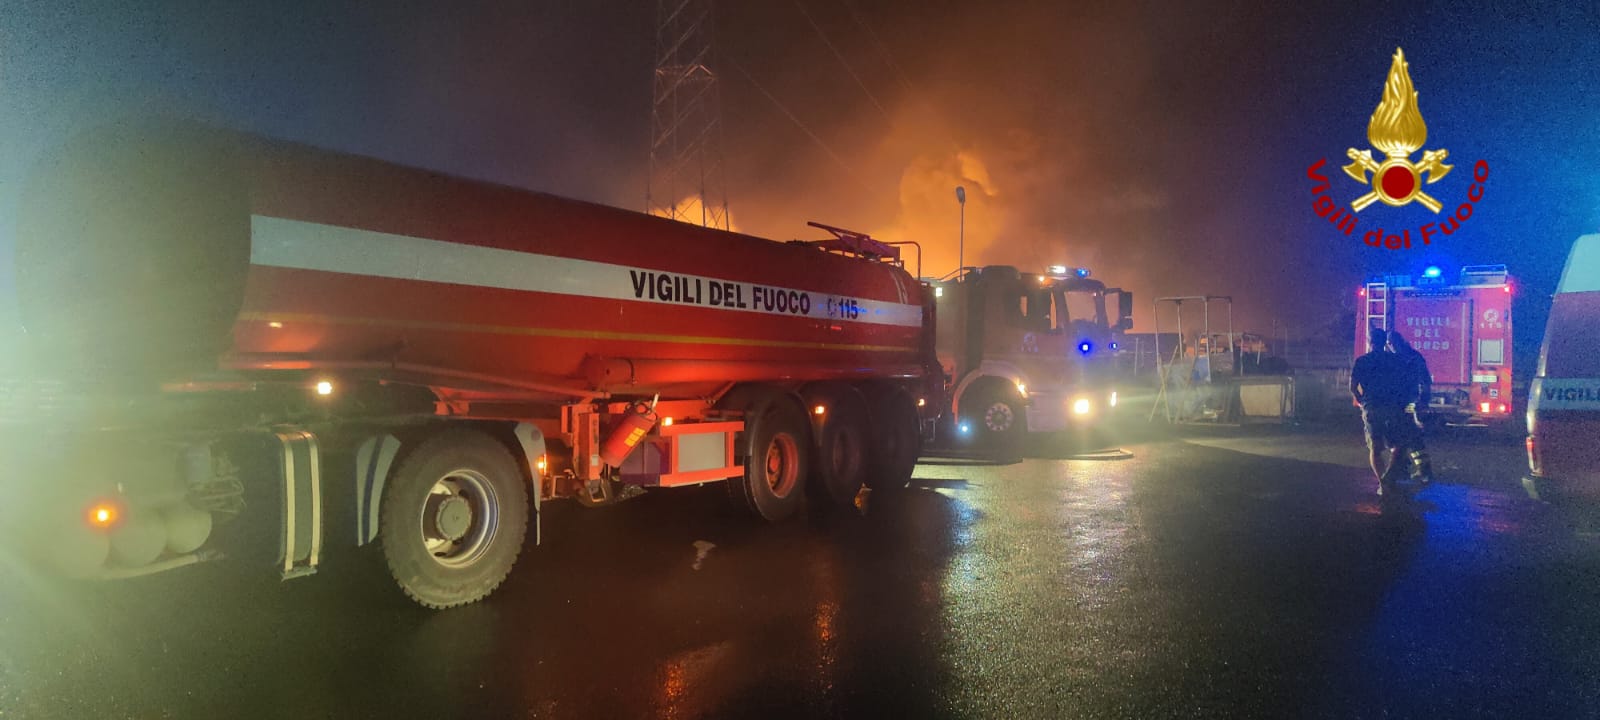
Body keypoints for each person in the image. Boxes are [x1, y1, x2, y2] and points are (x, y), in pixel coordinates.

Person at [1350, 326, 1411, 494]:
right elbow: (1404, 384)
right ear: (1385, 342)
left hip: (1371, 407)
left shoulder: (1362, 361)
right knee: (1398, 445)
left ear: (1369, 342)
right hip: (1392, 407)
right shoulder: (1395, 360)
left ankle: (1382, 482)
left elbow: (1353, 387)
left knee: (1375, 448)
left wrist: (1363, 403)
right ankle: (1388, 478)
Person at [1387, 330, 1435, 483]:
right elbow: (1425, 380)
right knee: (1411, 436)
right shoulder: (1413, 356)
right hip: (1406, 402)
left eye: (1391, 343)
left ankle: (1405, 467)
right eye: (1389, 344)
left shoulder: (1404, 358)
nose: (1390, 346)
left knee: (1402, 435)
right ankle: (1421, 469)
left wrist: (1422, 401)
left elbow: (1424, 380)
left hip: (1407, 403)